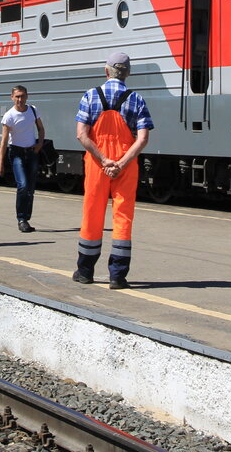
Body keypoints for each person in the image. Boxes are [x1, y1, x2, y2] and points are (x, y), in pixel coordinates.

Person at [73, 52, 153, 290]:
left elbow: (81, 135)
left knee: (92, 214)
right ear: (127, 73)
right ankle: (117, 276)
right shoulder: (136, 99)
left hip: (98, 165)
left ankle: (85, 271)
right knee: (123, 217)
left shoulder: (90, 96)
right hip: (125, 167)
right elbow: (143, 139)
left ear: (106, 71)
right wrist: (121, 163)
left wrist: (105, 160)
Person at [0, 85, 47, 233]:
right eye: (17, 96)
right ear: (12, 97)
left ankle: (26, 218)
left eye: (22, 96)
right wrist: (0, 162)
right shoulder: (9, 116)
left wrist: (40, 144)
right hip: (16, 153)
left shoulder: (33, 110)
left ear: (27, 96)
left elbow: (41, 129)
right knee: (23, 185)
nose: (20, 99)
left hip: (31, 152)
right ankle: (21, 219)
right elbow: (4, 141)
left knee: (30, 188)